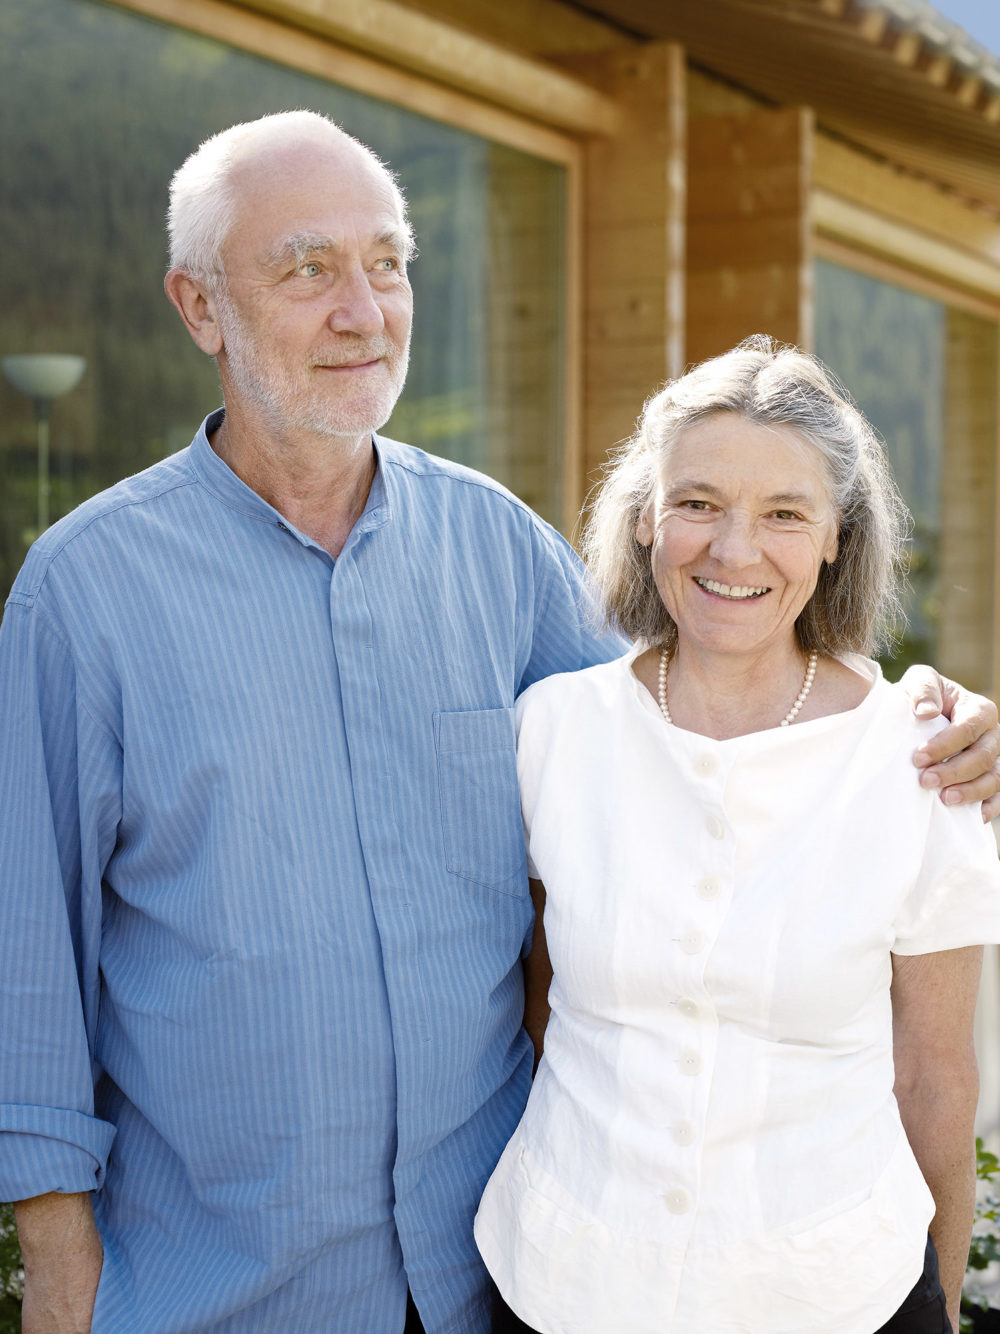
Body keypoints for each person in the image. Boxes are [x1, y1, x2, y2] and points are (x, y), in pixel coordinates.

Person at [0, 115, 994, 1334]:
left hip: (484, 1275)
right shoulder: (85, 590)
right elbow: (27, 953)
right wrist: (58, 1267)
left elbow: (704, 714)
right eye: (308, 269)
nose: (364, 311)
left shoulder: (499, 551)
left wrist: (931, 721)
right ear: (200, 307)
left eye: (388, 262)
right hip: (219, 1284)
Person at [476, 339, 1000, 1334]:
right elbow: (542, 1010)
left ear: (837, 537)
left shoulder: (920, 757)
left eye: (783, 514)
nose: (733, 549)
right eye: (698, 503)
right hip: (563, 1280)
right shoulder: (552, 729)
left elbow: (935, 1076)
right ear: (645, 517)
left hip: (832, 1292)